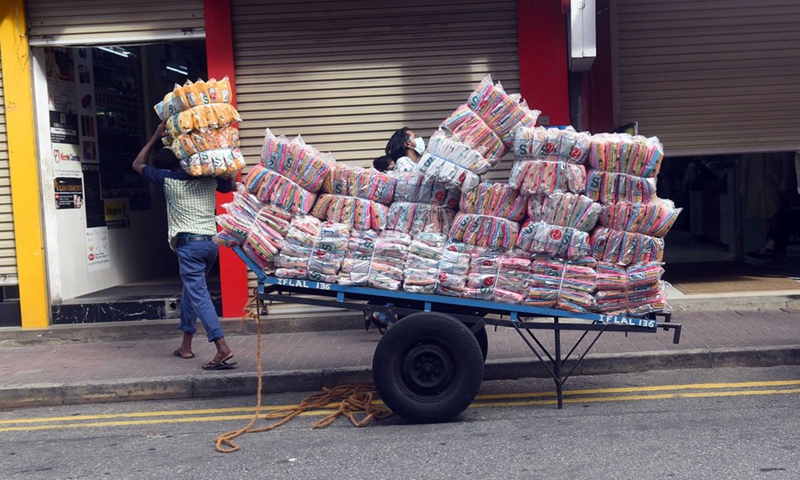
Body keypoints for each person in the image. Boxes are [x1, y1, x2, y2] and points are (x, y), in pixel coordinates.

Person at [132, 122, 238, 370]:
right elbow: (231, 183)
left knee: (199, 295)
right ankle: (186, 346)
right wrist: (227, 156)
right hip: (211, 245)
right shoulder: (209, 178)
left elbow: (137, 164)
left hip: (189, 246)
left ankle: (221, 347)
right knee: (192, 292)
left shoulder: (167, 178)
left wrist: (156, 136)